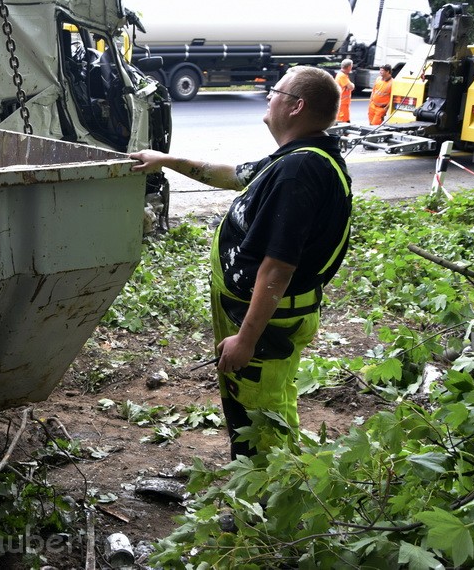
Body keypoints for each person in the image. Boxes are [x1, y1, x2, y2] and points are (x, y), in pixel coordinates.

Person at [129, 66, 352, 460]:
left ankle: (267, 507)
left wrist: (246, 339)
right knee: (253, 404)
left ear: (296, 106)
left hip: (264, 320)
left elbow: (278, 268)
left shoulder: (298, 173)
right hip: (251, 309)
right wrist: (164, 159)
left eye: (275, 91)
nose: (268, 97)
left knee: (261, 417)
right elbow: (231, 175)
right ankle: (262, 489)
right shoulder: (296, 157)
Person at [334, 58, 354, 123]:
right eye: (351, 66)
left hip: (343, 102)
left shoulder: (341, 75)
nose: (351, 68)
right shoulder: (342, 76)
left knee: (344, 120)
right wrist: (352, 85)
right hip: (343, 103)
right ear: (348, 67)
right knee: (343, 121)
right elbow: (351, 87)